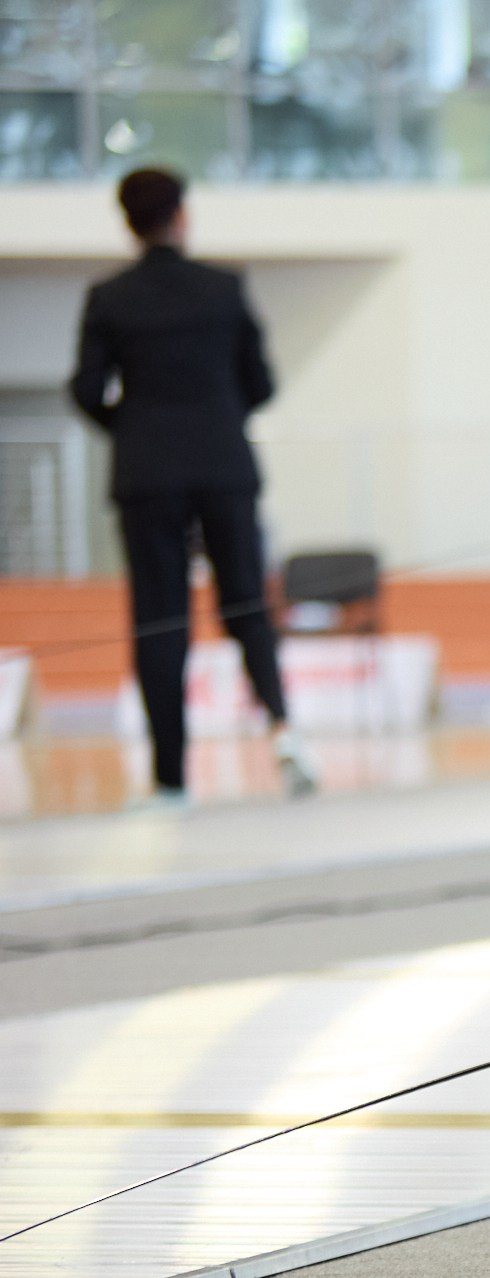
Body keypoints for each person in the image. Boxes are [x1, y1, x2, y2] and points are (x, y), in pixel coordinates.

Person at [69, 167, 315, 807]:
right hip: (222, 466)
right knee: (244, 606)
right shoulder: (223, 289)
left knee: (159, 621)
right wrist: (216, 413)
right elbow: (261, 383)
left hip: (146, 473)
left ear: (129, 222)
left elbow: (86, 390)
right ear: (181, 215)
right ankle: (284, 733)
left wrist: (136, 428)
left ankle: (171, 780)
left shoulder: (110, 298)